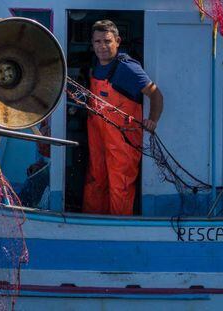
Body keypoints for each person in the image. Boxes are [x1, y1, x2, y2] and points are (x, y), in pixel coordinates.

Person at [83, 20, 163, 216]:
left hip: (122, 141)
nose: (102, 46)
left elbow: (156, 95)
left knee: (121, 184)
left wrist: (152, 119)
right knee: (96, 178)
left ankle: (117, 227)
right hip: (99, 136)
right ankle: (92, 224)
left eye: (107, 41)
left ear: (117, 41)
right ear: (92, 44)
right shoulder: (95, 65)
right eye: (98, 41)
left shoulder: (127, 68)